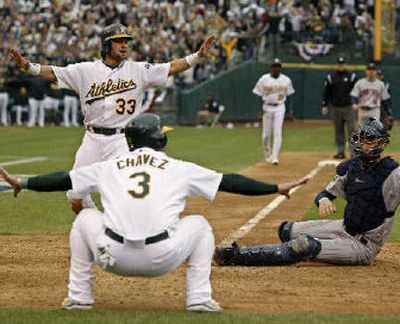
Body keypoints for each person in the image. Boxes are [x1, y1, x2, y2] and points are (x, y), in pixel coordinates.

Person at [0, 113, 308, 312]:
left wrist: (23, 182)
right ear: (159, 139)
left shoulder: (108, 166)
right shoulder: (179, 168)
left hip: (113, 257)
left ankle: (80, 297)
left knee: (83, 218)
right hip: (162, 259)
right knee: (200, 224)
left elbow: (62, 179)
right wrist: (276, 187)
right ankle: (199, 299)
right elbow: (229, 181)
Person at [9, 23, 216, 214]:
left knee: (126, 192)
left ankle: (127, 235)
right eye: (119, 41)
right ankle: (97, 229)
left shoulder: (138, 70)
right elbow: (53, 73)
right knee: (75, 195)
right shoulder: (85, 70)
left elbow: (170, 68)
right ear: (107, 45)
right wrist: (28, 66)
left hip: (122, 141)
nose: (124, 45)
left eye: (126, 41)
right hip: (91, 139)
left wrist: (197, 56)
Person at [214, 117, 400, 267]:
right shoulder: (352, 168)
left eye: (371, 140)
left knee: (304, 246)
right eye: (363, 139)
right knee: (286, 230)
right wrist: (324, 200)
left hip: (363, 245)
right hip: (344, 228)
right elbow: (324, 194)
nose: (365, 144)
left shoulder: (393, 174)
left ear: (381, 144)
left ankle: (235, 256)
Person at [253, 58, 295, 166]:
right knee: (266, 135)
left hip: (280, 107)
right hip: (267, 107)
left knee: (277, 132)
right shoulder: (264, 79)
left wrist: (290, 111)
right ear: (271, 67)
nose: (276, 68)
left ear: (280, 67)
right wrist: (259, 109)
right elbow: (257, 94)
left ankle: (275, 156)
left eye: (278, 66)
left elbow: (289, 96)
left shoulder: (286, 80)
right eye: (274, 66)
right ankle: (267, 153)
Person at [321, 57, 358, 159]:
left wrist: (356, 103)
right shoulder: (331, 77)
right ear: (337, 65)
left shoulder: (352, 76)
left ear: (346, 64)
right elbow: (326, 92)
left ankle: (353, 152)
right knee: (339, 130)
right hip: (336, 107)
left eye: (343, 63)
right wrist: (324, 105)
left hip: (349, 107)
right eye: (339, 64)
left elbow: (357, 91)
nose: (341, 65)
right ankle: (340, 151)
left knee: (351, 129)